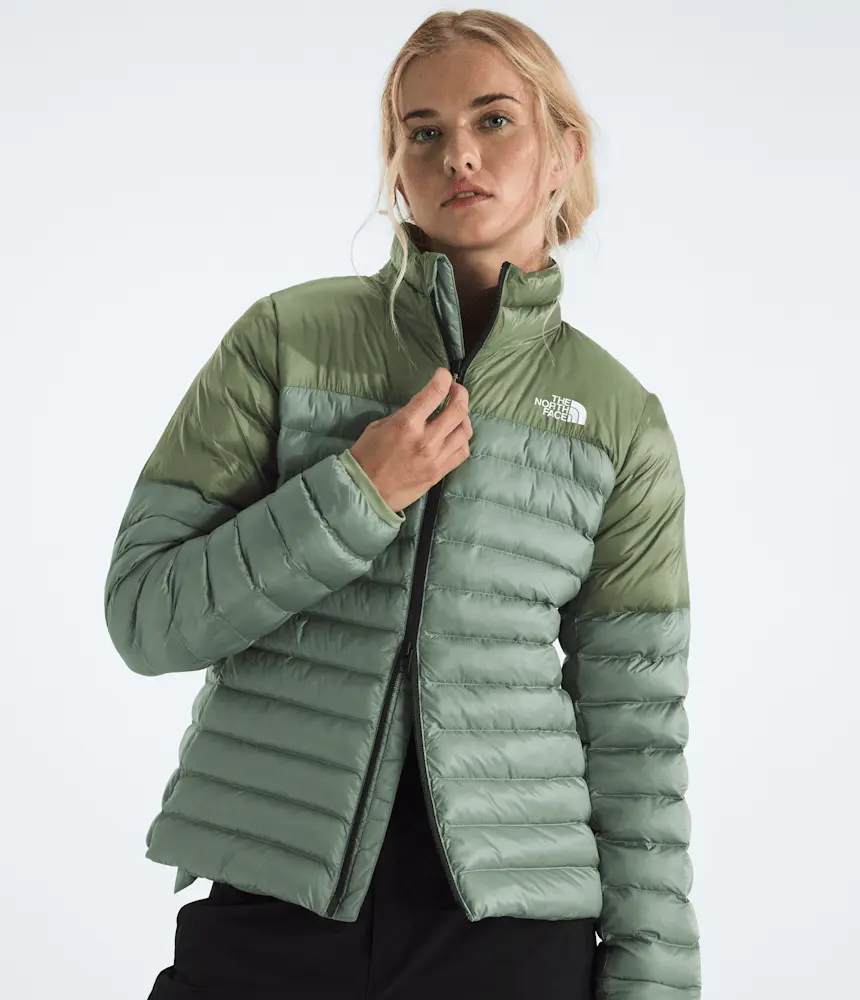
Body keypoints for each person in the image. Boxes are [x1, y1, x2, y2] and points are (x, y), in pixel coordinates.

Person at [104, 9, 701, 1000]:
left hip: (509, 938)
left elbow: (636, 736)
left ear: (564, 152)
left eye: (494, 119)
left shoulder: (617, 419)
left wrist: (655, 983)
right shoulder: (283, 342)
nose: (457, 153)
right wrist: (354, 494)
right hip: (272, 909)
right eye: (423, 131)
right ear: (396, 168)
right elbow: (144, 615)